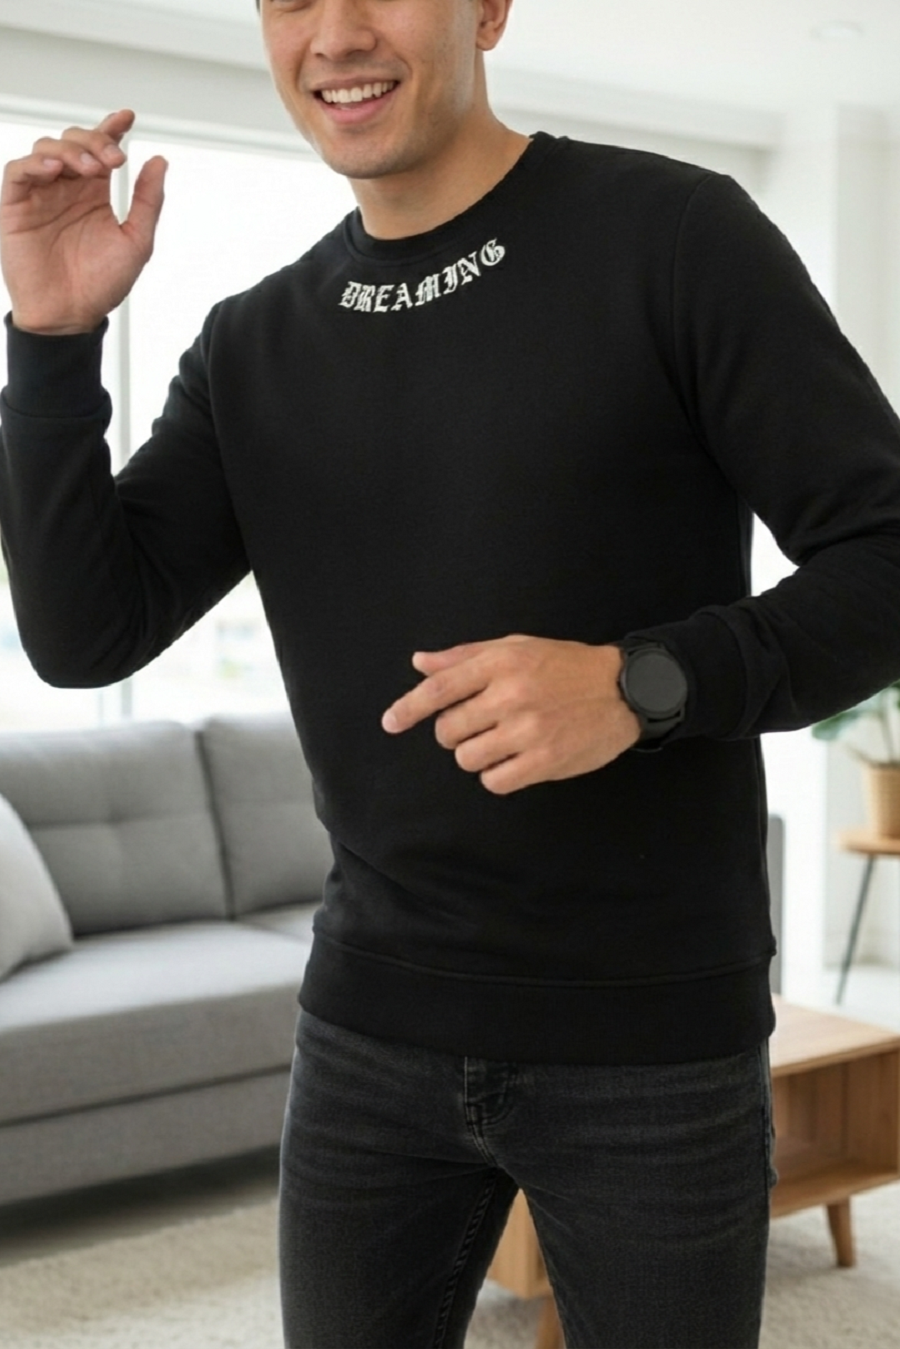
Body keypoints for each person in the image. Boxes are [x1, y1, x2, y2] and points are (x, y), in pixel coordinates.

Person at [2, 1, 900, 1345]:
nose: (336, 34)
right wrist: (51, 342)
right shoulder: (253, 344)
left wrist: (642, 684)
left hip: (651, 1040)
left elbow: (884, 553)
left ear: (486, 8)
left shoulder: (675, 237)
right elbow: (84, 637)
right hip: (369, 1030)